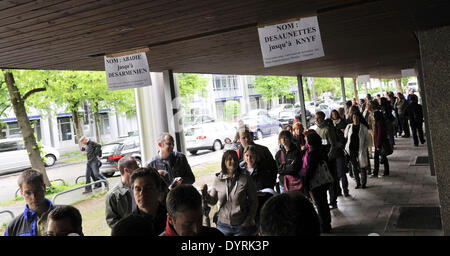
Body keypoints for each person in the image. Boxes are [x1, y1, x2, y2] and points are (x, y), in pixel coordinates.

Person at [201, 150, 258, 236]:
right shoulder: (218, 179)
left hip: (241, 225)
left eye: (235, 159)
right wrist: (205, 194)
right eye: (230, 159)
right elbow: (213, 201)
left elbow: (254, 201)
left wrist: (248, 220)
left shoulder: (245, 178)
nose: (233, 161)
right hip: (222, 225)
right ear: (224, 162)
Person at [111, 167, 167, 236]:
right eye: (138, 189)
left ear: (158, 189)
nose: (142, 193)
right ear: (133, 191)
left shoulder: (172, 218)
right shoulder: (123, 228)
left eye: (148, 188)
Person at [4, 169, 55, 236]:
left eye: (38, 191)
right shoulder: (13, 227)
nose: (34, 197)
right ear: (21, 193)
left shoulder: (66, 215)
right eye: (28, 193)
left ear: (44, 188)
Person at [302, 132, 333, 233]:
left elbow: (310, 170)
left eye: (306, 139)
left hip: (316, 183)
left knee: (320, 204)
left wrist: (305, 182)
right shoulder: (321, 149)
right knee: (324, 203)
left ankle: (323, 225)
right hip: (324, 181)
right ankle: (327, 224)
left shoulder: (313, 153)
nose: (305, 141)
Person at [314, 111, 342, 209]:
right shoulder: (317, 129)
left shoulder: (328, 129)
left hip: (329, 159)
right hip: (322, 159)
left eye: (318, 118)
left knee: (331, 180)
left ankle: (333, 200)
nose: (316, 120)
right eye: (315, 118)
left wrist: (328, 157)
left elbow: (333, 145)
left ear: (323, 118)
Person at [105, 156, 139, 228]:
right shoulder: (113, 195)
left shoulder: (141, 187)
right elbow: (111, 221)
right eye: (136, 168)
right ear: (127, 170)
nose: (139, 169)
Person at [344, 112, 371, 189]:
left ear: (359, 118)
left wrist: (364, 148)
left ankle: (363, 183)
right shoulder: (349, 127)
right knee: (354, 167)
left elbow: (367, 140)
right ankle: (358, 183)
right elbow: (345, 136)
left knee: (362, 167)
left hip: (360, 150)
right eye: (354, 117)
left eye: (357, 117)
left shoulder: (363, 127)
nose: (355, 119)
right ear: (352, 119)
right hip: (351, 150)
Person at [330, 109, 350, 197]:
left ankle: (344, 190)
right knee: (337, 174)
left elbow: (342, 141)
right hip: (333, 155)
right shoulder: (331, 132)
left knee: (341, 173)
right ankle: (340, 191)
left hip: (338, 154)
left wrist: (337, 145)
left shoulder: (337, 130)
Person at [372, 111, 390, 177]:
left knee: (377, 158)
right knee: (383, 157)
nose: (373, 117)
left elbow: (379, 134)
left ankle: (376, 172)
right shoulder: (381, 122)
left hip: (379, 144)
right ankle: (386, 171)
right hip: (380, 143)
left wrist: (377, 145)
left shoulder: (379, 123)